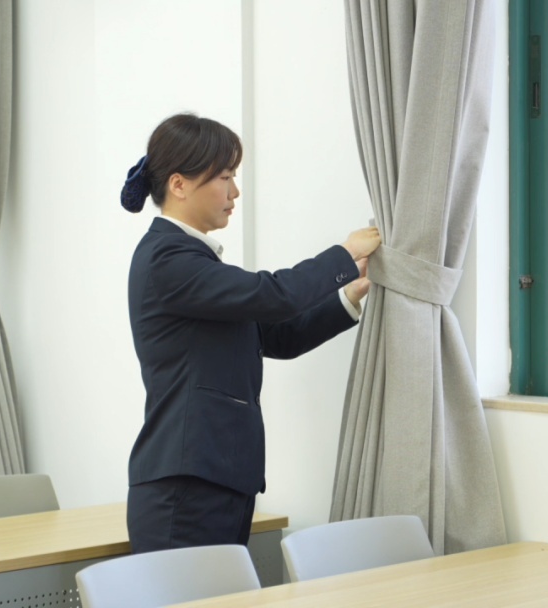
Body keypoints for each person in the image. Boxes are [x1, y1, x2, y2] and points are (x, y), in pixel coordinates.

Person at [121, 112, 380, 554]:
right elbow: (272, 295)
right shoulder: (168, 259)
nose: (234, 192)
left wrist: (349, 295)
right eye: (225, 177)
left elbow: (276, 336)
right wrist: (343, 254)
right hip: (185, 489)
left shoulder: (190, 260)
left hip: (217, 479)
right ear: (179, 184)